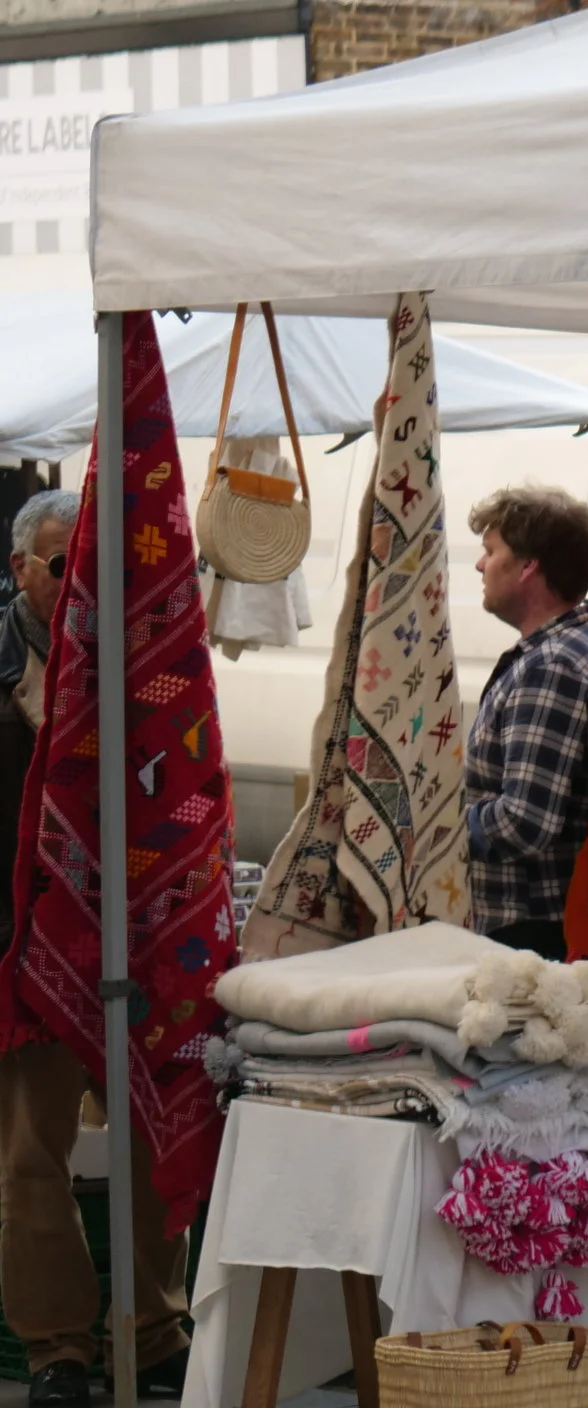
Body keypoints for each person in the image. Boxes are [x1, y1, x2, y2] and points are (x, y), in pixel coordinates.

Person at [0, 491, 193, 1407]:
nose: (74, 578)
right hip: (26, 949)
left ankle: (156, 1328)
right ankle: (57, 1350)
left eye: (87, 562)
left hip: (137, 950)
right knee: (32, 1158)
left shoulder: (140, 661)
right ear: (19, 572)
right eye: (54, 560)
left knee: (155, 1140)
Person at [465, 486, 588, 960]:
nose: (480, 565)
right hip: (542, 925)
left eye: (491, 551)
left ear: (529, 566)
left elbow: (525, 823)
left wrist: (434, 830)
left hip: (530, 932)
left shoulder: (553, 666)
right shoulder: (570, 648)